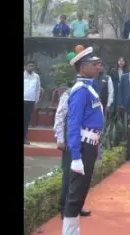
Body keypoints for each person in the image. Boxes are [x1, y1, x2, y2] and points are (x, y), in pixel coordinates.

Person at [61, 47, 105, 235]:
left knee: (81, 193)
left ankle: (73, 231)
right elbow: (73, 123)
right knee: (75, 194)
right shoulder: (80, 90)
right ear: (83, 67)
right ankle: (69, 232)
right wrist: (76, 156)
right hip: (83, 145)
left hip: (90, 144)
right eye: (95, 64)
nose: (98, 67)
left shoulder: (89, 87)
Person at [53, 79, 92, 218]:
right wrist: (60, 139)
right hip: (70, 138)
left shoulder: (88, 93)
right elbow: (60, 116)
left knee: (81, 175)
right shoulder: (68, 94)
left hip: (84, 140)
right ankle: (64, 207)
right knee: (69, 175)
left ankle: (76, 206)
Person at [24, 61, 42, 145]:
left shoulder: (36, 76)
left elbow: (38, 88)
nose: (31, 67)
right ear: (25, 66)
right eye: (29, 66)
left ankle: (24, 138)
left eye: (32, 66)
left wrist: (36, 100)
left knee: (26, 120)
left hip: (31, 101)